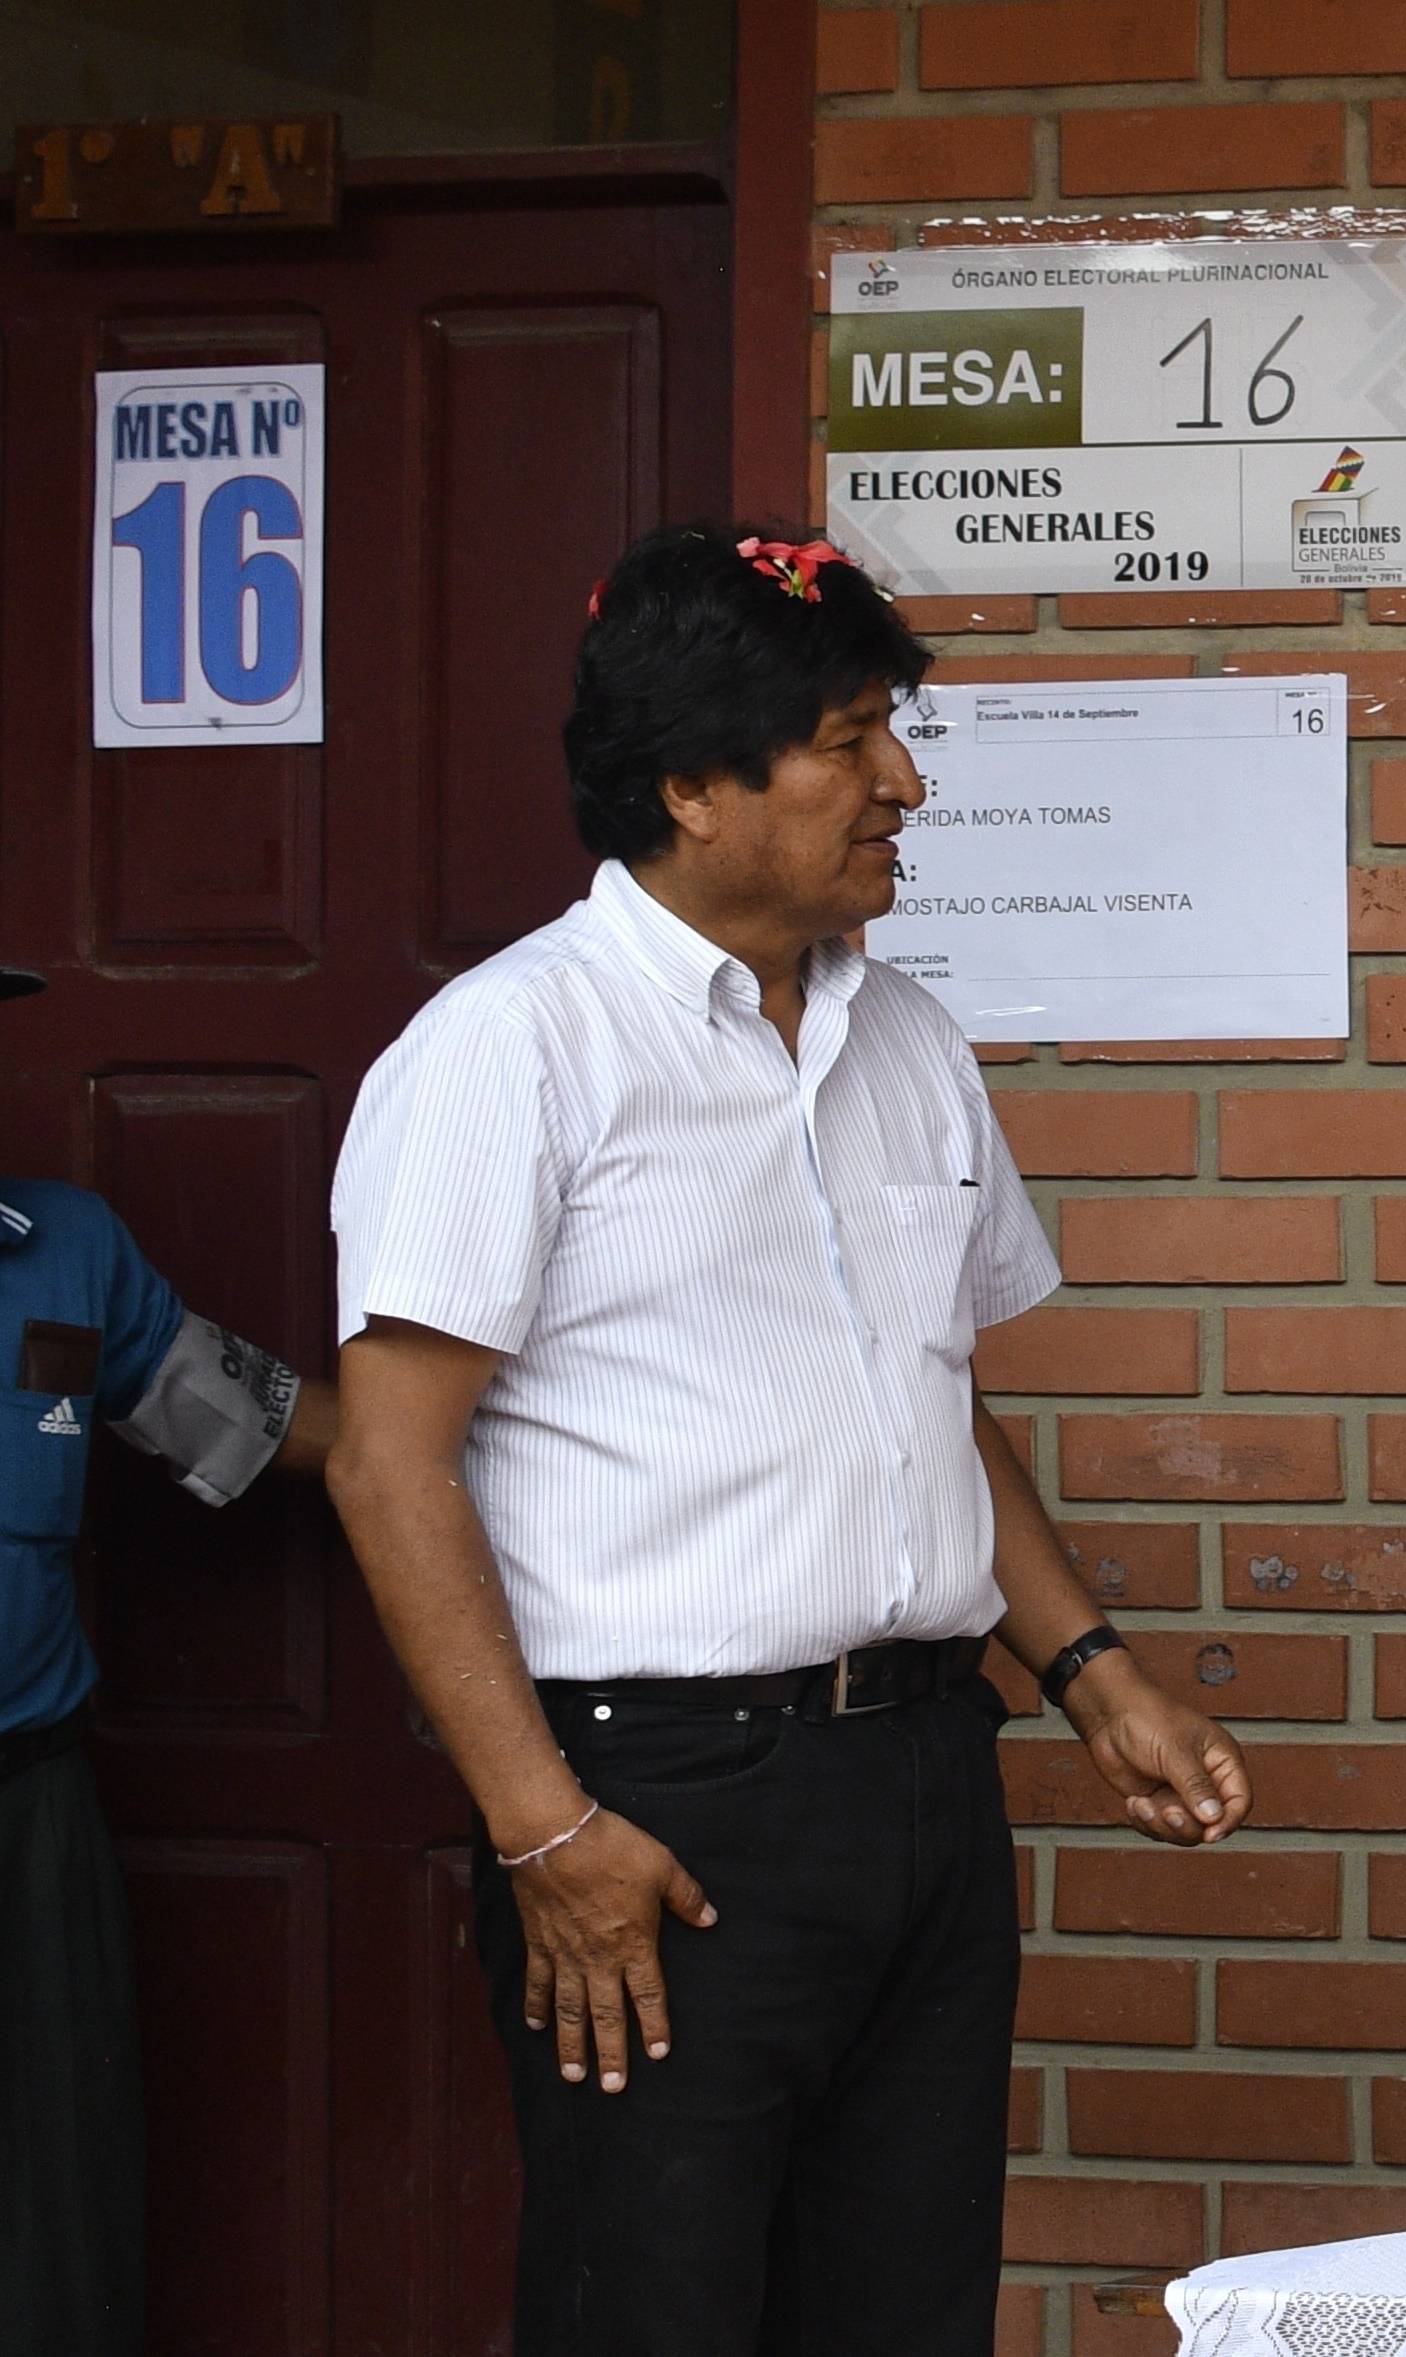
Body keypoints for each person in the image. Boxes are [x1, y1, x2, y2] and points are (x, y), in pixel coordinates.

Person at [328, 527, 1255, 2355]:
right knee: (656, 2310)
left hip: (918, 1771)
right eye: (850, 739)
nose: (902, 784)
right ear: (691, 783)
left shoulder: (906, 1036)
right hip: (654, 1803)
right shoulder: (509, 1049)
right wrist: (541, 1833)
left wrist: (1088, 1668)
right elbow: (386, 1461)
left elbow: (930, 1396)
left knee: (904, 2309)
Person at [0, 984, 337, 2357]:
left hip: (23, 1809)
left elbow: (246, 1420)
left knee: (50, 2232)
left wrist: (478, 1440)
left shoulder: (60, 1249)